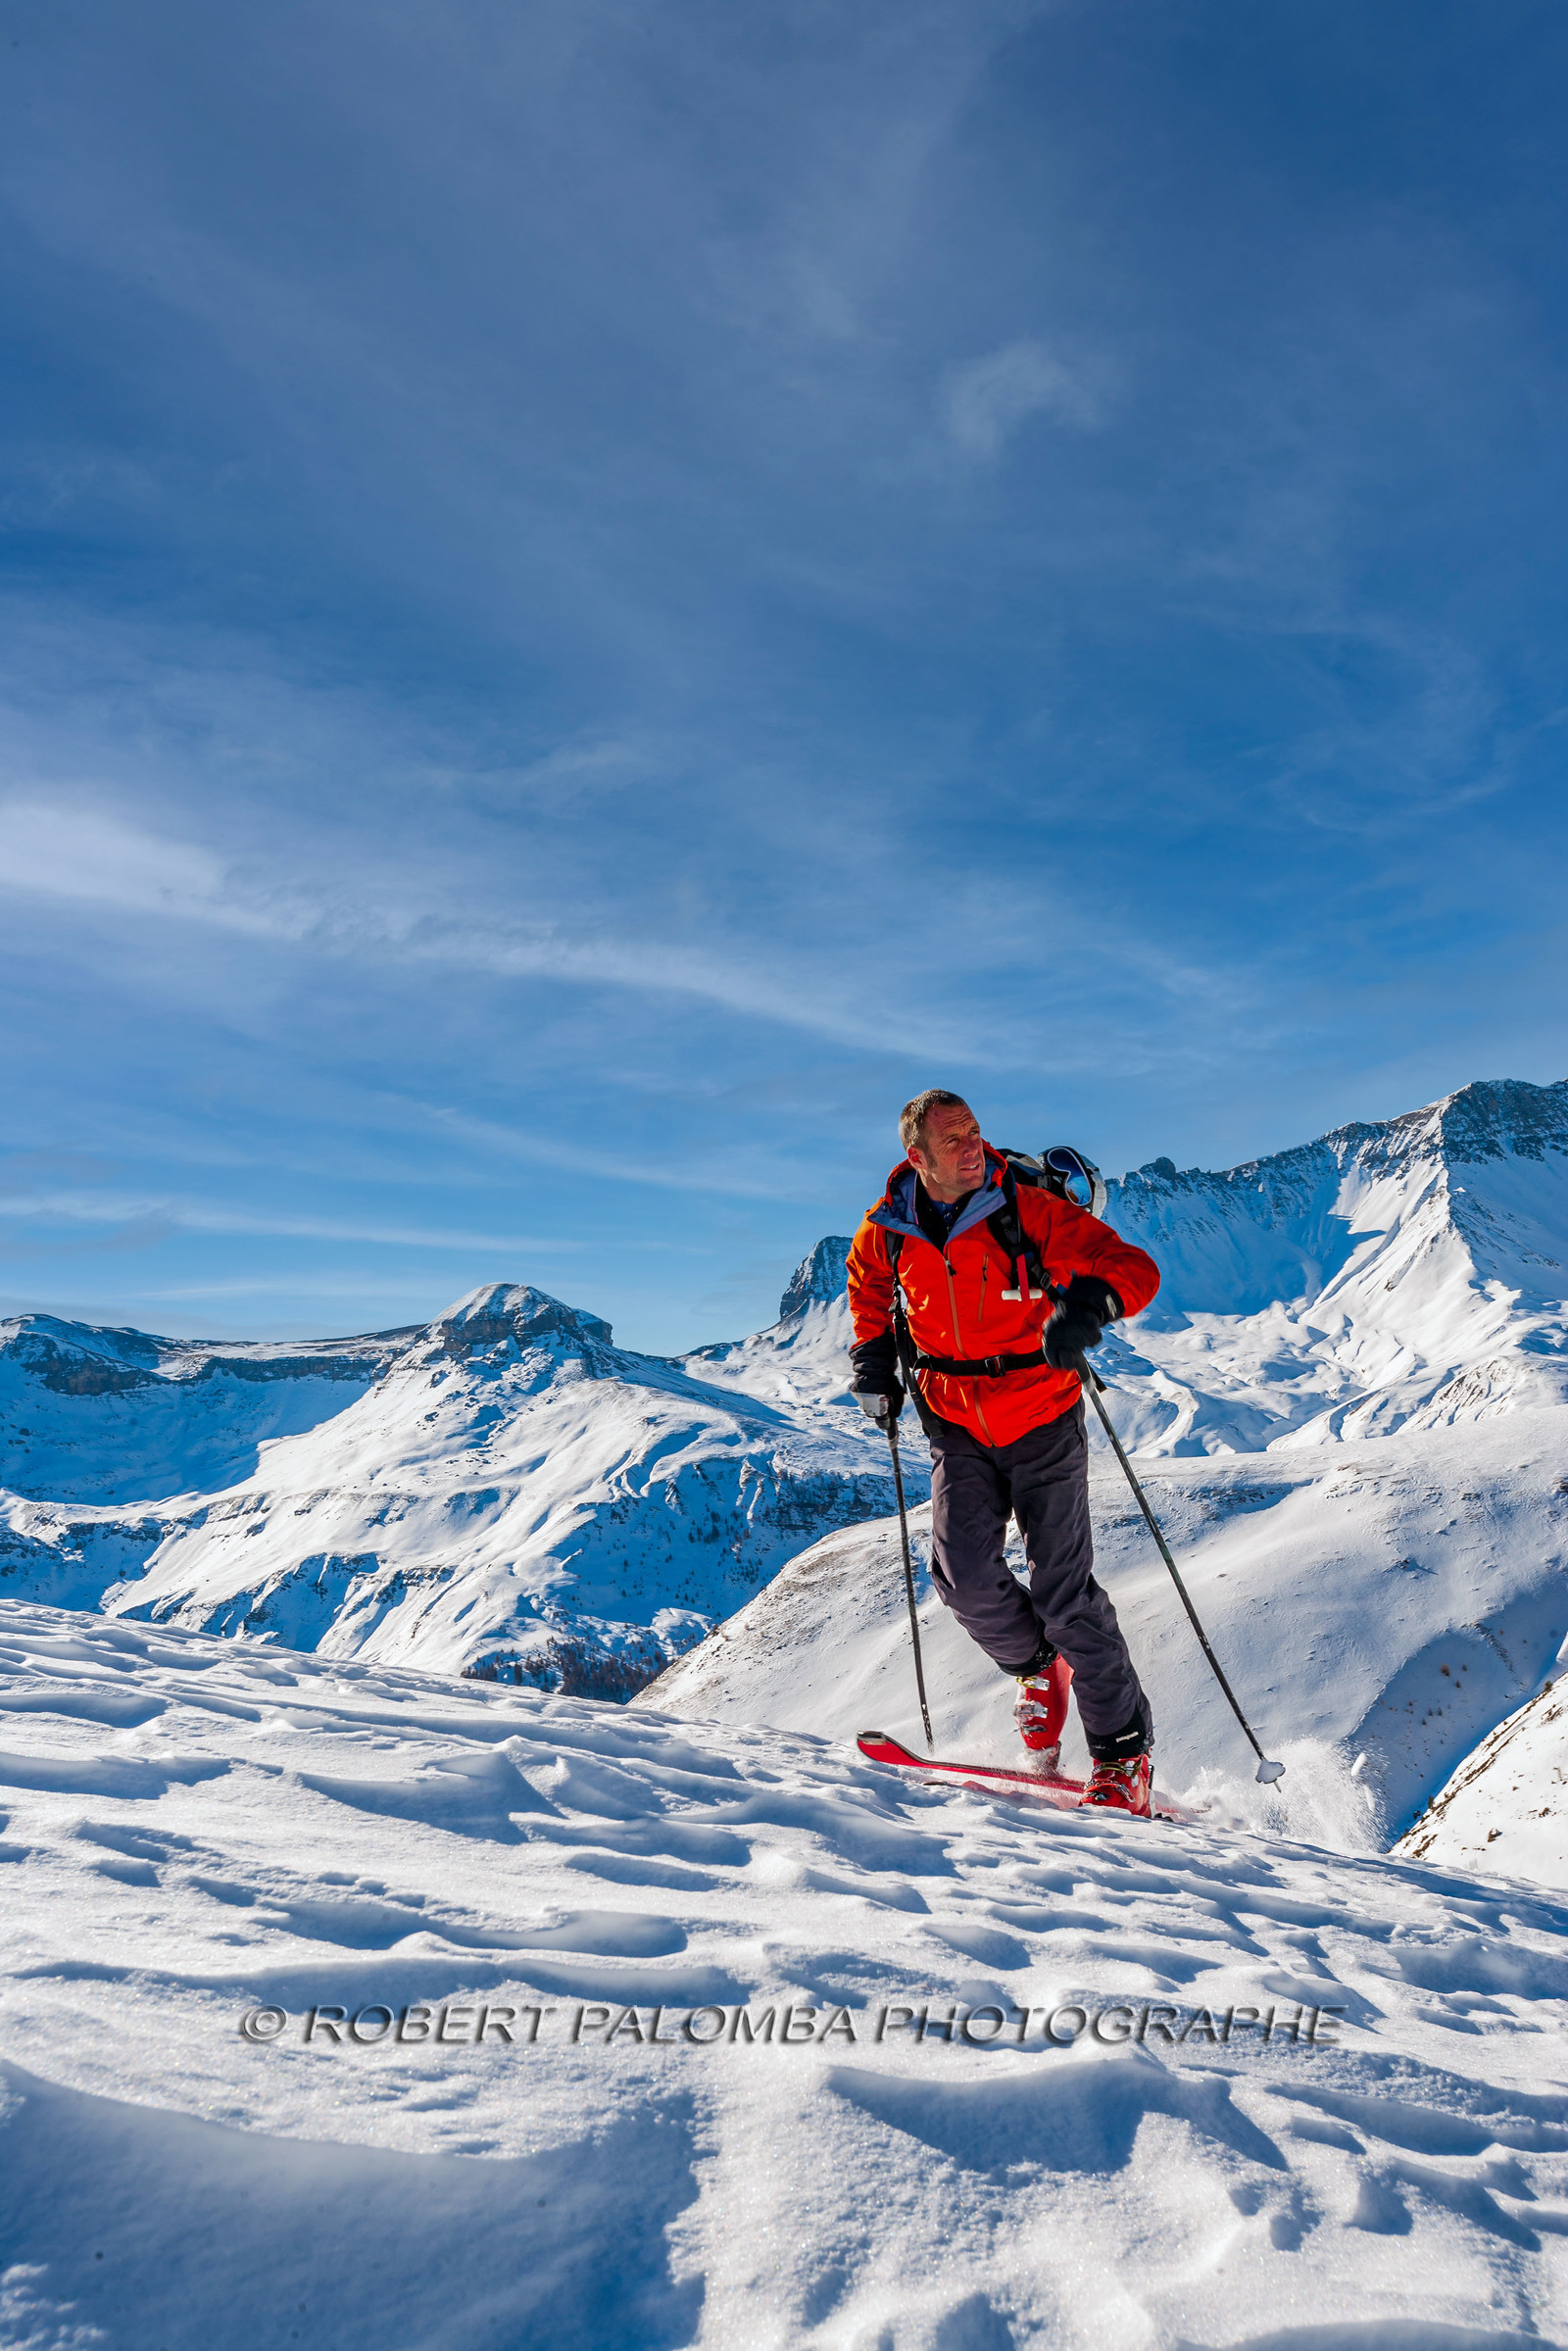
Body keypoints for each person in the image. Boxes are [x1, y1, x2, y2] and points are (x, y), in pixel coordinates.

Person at [846, 1090, 1162, 1815]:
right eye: (953, 1139)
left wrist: (1087, 1308)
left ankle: (1123, 1757)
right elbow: (868, 1289)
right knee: (959, 1576)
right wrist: (872, 1361)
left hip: (1042, 1415)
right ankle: (1037, 1669)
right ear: (915, 1157)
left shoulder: (1029, 1210)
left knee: (1064, 1596)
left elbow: (1131, 1267)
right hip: (953, 1421)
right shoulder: (886, 1230)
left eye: (976, 1132)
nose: (972, 1147)